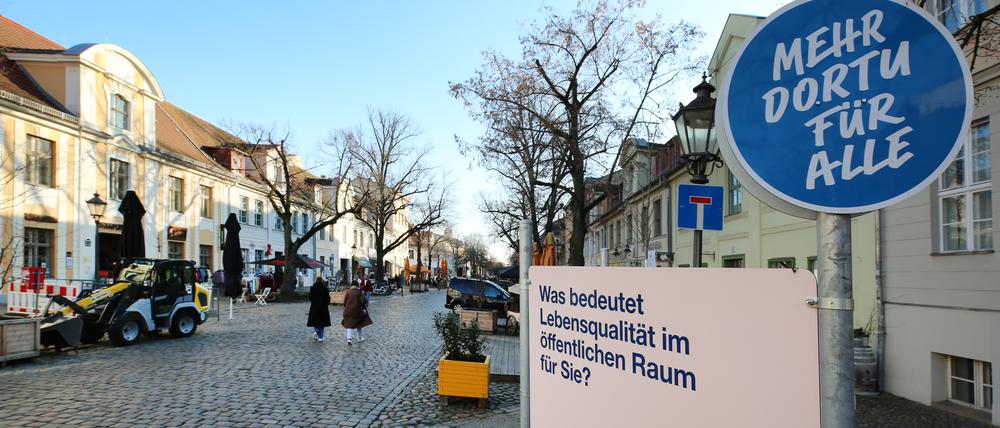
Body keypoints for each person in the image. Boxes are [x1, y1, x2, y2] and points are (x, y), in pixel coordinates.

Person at [307, 277, 331, 342]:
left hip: (314, 307)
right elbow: (328, 298)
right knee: (322, 323)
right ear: (322, 281)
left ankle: (316, 330)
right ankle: (321, 337)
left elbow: (310, 297)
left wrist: (314, 302)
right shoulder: (325, 288)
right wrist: (326, 303)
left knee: (315, 320)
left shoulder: (313, 288)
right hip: (323, 307)